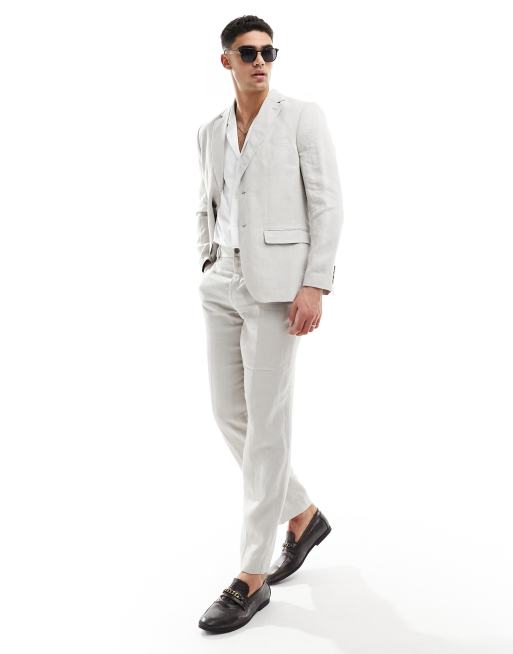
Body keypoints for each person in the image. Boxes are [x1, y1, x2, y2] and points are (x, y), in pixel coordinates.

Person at [196, 15, 344, 634]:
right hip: (221, 282)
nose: (261, 61)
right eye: (248, 52)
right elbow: (207, 200)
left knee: (266, 429)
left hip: (278, 290)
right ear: (226, 60)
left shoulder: (301, 117)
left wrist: (315, 283)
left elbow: (327, 203)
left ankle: (251, 575)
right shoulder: (209, 131)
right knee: (228, 414)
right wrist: (206, 259)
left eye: (269, 51)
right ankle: (302, 513)